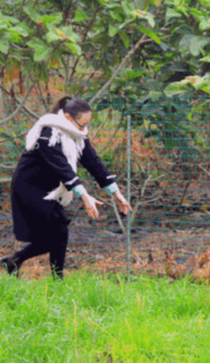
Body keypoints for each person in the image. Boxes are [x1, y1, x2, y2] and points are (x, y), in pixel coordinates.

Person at [1, 96, 132, 278]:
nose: (85, 128)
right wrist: (84, 196)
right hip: (29, 187)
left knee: (59, 231)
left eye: (88, 123)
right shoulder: (49, 134)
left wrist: (115, 193)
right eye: (82, 123)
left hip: (48, 188)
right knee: (56, 232)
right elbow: (63, 168)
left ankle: (20, 263)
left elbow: (93, 162)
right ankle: (31, 267)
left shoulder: (77, 135)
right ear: (69, 118)